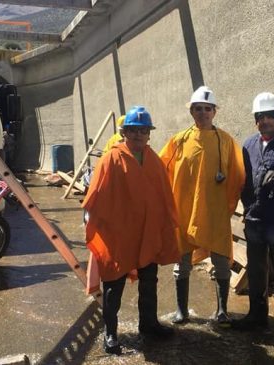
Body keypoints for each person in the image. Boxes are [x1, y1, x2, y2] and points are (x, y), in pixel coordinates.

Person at [82, 106, 181, 355]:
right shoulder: (111, 159)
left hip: (146, 234)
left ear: (149, 134)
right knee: (114, 285)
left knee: (149, 280)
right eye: (133, 131)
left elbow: (163, 195)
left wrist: (164, 225)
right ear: (124, 132)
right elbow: (95, 195)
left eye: (143, 131)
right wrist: (92, 221)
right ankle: (111, 333)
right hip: (119, 235)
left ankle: (148, 325)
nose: (138, 135)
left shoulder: (153, 160)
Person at [159, 86, 245, 327]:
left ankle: (222, 311)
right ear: (192, 112)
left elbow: (237, 176)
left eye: (208, 109)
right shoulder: (179, 140)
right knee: (182, 263)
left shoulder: (226, 141)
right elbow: (160, 169)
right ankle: (181, 310)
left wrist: (227, 207)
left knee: (221, 263)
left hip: (215, 213)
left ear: (214, 112)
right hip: (184, 212)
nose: (203, 113)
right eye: (198, 109)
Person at [233, 92, 274, 345]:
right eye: (260, 117)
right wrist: (246, 208)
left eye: (270, 116)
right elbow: (245, 181)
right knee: (257, 271)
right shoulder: (249, 145)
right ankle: (257, 316)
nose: (265, 121)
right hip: (255, 220)